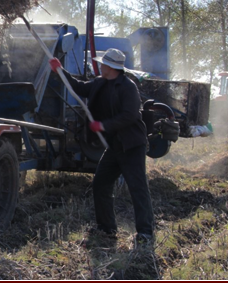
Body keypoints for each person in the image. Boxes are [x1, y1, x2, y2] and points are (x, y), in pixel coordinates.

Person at [50, 48, 154, 245]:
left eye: (103, 64)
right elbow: (79, 88)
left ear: (111, 67)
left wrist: (104, 125)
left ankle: (145, 232)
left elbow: (130, 115)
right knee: (101, 184)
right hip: (114, 145)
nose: (100, 66)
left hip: (132, 145)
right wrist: (60, 71)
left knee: (137, 188)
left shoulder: (127, 87)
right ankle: (106, 228)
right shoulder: (99, 82)